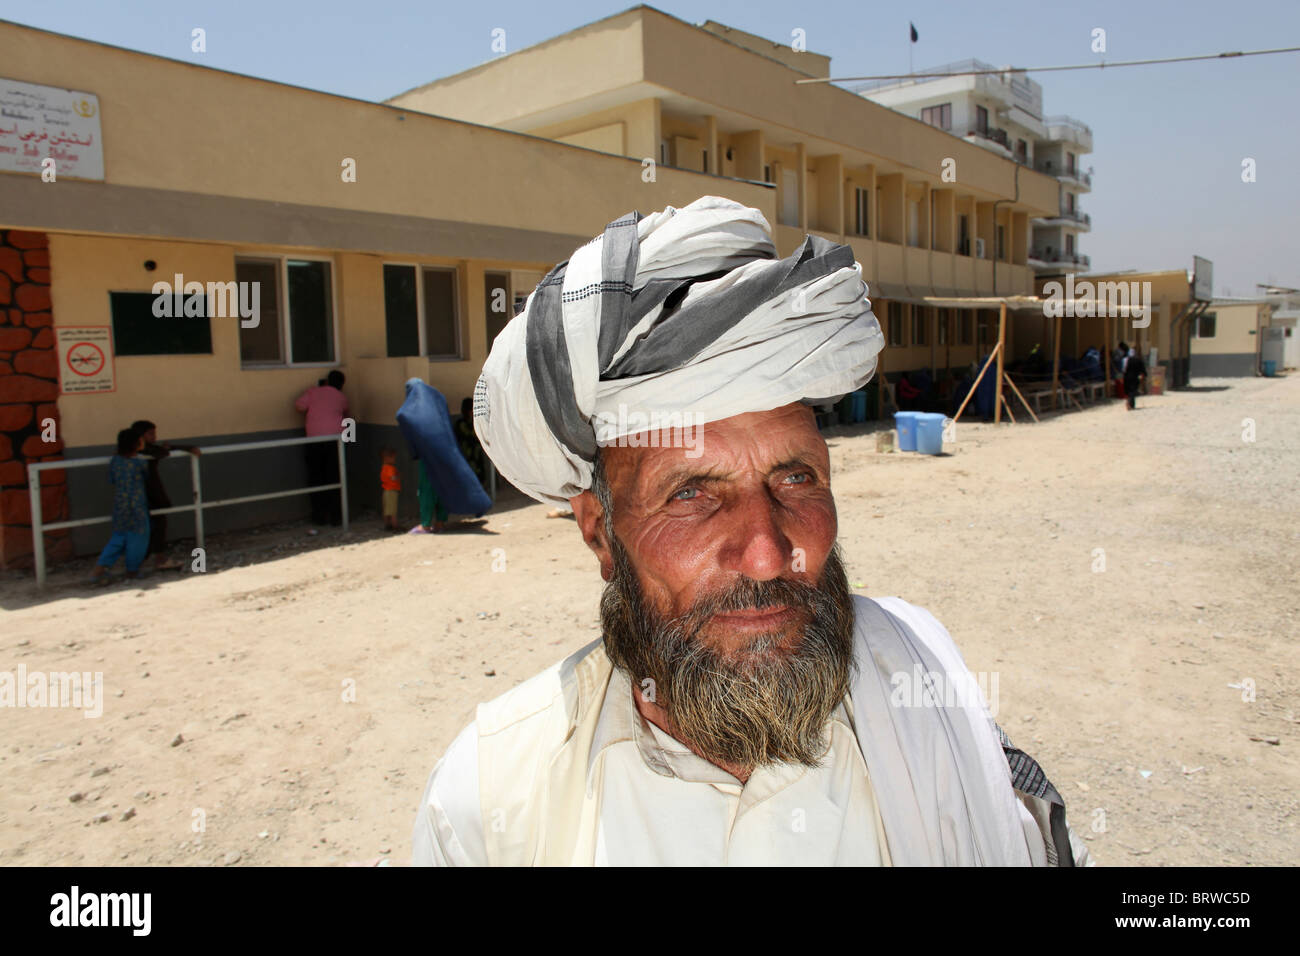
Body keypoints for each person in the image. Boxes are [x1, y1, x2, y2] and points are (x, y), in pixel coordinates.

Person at [412, 196, 1088, 867]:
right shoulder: (493, 806)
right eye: (691, 494)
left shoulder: (929, 699)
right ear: (599, 534)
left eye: (795, 478)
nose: (768, 555)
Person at [130, 419, 200, 570]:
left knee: (158, 523)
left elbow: (163, 450)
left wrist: (187, 448)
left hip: (152, 491)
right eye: (150, 434)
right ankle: (148, 559)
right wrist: (169, 449)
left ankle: (153, 558)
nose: (154, 436)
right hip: (145, 492)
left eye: (154, 433)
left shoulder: (147, 449)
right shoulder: (139, 451)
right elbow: (161, 451)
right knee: (150, 525)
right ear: (140, 436)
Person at [90, 428, 151, 585]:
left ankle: (100, 569)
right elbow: (147, 477)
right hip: (136, 505)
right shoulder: (140, 462)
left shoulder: (115, 461)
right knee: (138, 537)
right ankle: (132, 570)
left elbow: (112, 479)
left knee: (119, 536)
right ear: (136, 444)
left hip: (120, 505)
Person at [294, 370, 349, 525]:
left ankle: (318, 516)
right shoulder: (341, 397)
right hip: (335, 442)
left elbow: (299, 406)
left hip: (314, 441)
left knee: (316, 478)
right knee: (335, 477)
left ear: (326, 381)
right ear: (342, 385)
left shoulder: (313, 392)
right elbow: (346, 415)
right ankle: (336, 516)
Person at [380, 447, 402, 532]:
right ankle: (395, 526)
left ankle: (387, 525)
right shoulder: (390, 468)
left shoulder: (384, 467)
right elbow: (393, 478)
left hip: (386, 491)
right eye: (393, 457)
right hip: (392, 491)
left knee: (387, 510)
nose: (394, 459)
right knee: (393, 511)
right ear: (387, 458)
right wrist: (398, 476)